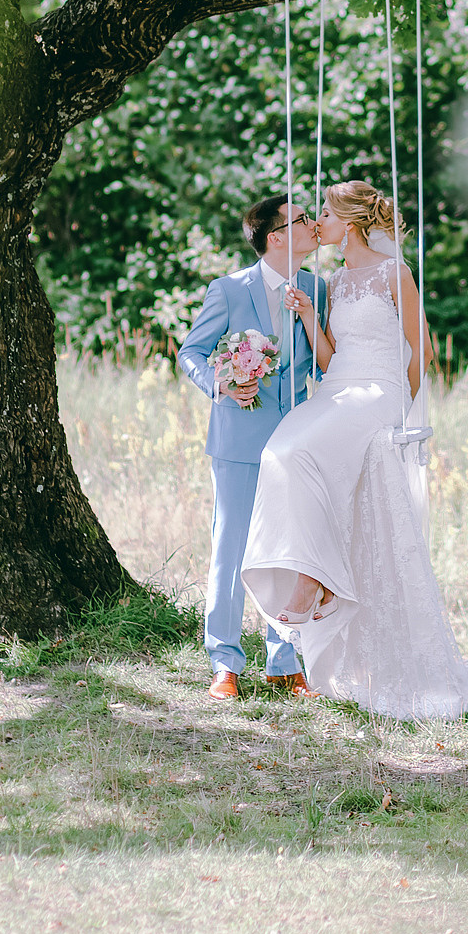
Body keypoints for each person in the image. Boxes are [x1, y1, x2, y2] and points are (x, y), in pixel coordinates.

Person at [241, 180, 468, 719]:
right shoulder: (335, 281)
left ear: (352, 222)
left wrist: (401, 406)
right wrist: (311, 319)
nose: (317, 223)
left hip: (379, 391)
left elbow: (422, 348)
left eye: (325, 215)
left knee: (302, 453)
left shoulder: (394, 273)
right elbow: (330, 356)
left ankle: (316, 582)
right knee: (281, 453)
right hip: (339, 385)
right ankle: (315, 576)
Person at [175, 196, 332, 699]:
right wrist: (222, 383)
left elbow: (325, 361)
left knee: (288, 550)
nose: (311, 225)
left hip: (295, 440)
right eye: (302, 220)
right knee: (231, 551)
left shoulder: (316, 288)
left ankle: (283, 661)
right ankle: (224, 663)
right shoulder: (227, 289)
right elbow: (191, 352)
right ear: (276, 237)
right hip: (239, 437)